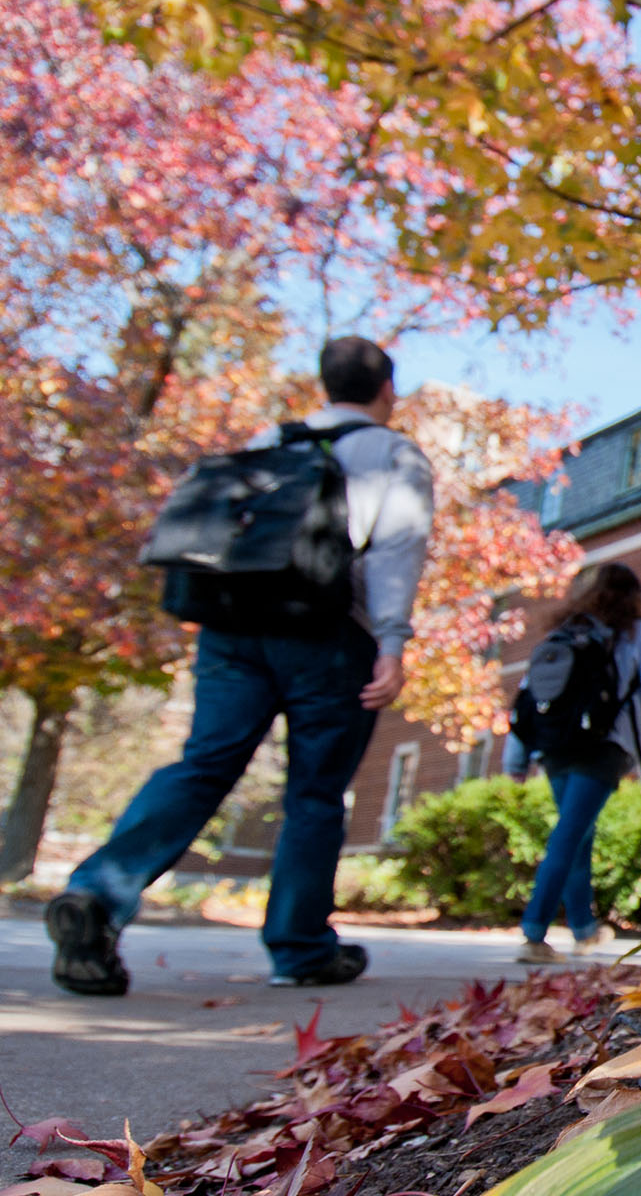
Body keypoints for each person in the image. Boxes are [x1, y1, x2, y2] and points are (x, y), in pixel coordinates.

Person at [47, 337, 434, 995]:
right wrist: (393, 644)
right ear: (387, 390)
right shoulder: (393, 452)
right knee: (314, 792)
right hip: (327, 634)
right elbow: (395, 550)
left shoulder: (267, 440)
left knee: (204, 764)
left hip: (232, 630)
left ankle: (97, 893)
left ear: (325, 382)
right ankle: (300, 946)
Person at [503, 563, 641, 963]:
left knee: (577, 834)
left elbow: (527, 697)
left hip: (555, 750)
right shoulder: (638, 634)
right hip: (602, 749)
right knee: (568, 835)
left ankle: (584, 928)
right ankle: (534, 933)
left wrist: (516, 757)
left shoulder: (562, 634)